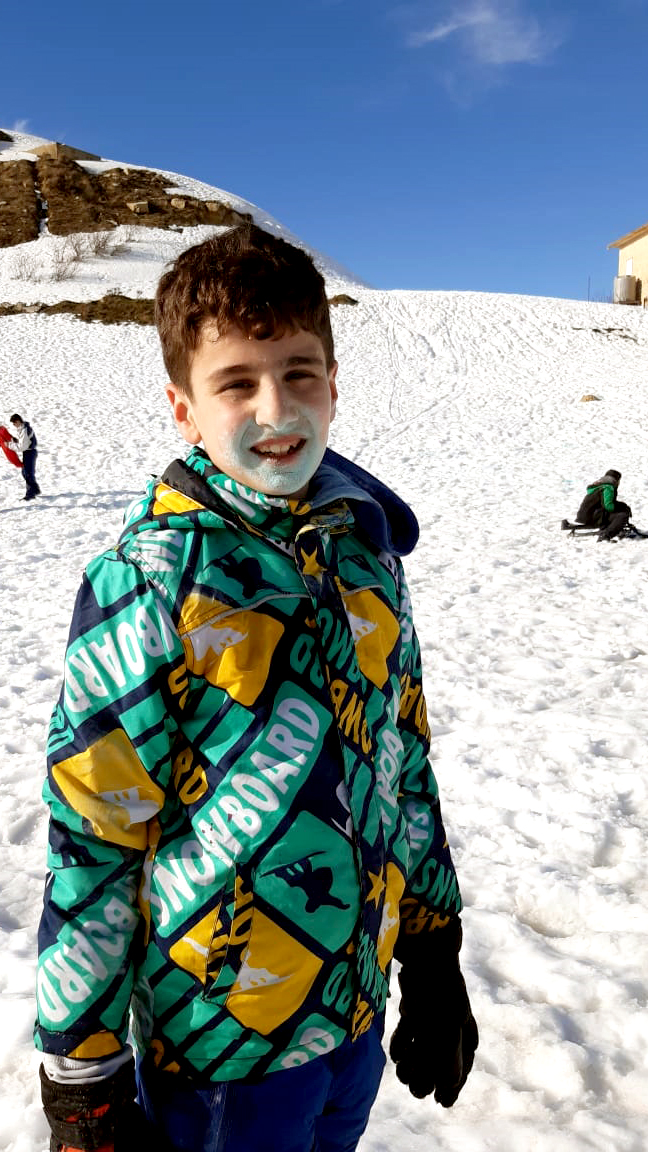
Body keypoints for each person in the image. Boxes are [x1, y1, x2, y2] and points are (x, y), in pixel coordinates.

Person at [35, 225, 478, 1152]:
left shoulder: (366, 556)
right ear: (185, 410)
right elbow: (96, 834)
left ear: (333, 385)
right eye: (236, 383)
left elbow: (403, 760)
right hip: (223, 1051)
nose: (276, 407)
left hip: (352, 1017)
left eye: (299, 372)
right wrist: (81, 1071)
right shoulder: (152, 581)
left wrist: (433, 948)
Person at [575, 468, 631, 541]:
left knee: (618, 511)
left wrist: (621, 505)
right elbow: (608, 506)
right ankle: (606, 535)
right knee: (622, 515)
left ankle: (608, 528)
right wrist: (621, 507)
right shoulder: (608, 488)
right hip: (594, 517)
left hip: (586, 516)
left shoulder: (599, 486)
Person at [10, 412, 40, 500]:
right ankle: (35, 489)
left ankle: (30, 494)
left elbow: (22, 447)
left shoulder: (25, 430)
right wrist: (16, 441)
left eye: (14, 423)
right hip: (28, 453)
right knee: (25, 472)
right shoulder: (23, 428)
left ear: (18, 421)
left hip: (30, 453)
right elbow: (24, 442)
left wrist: (10, 445)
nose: (14, 425)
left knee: (28, 473)